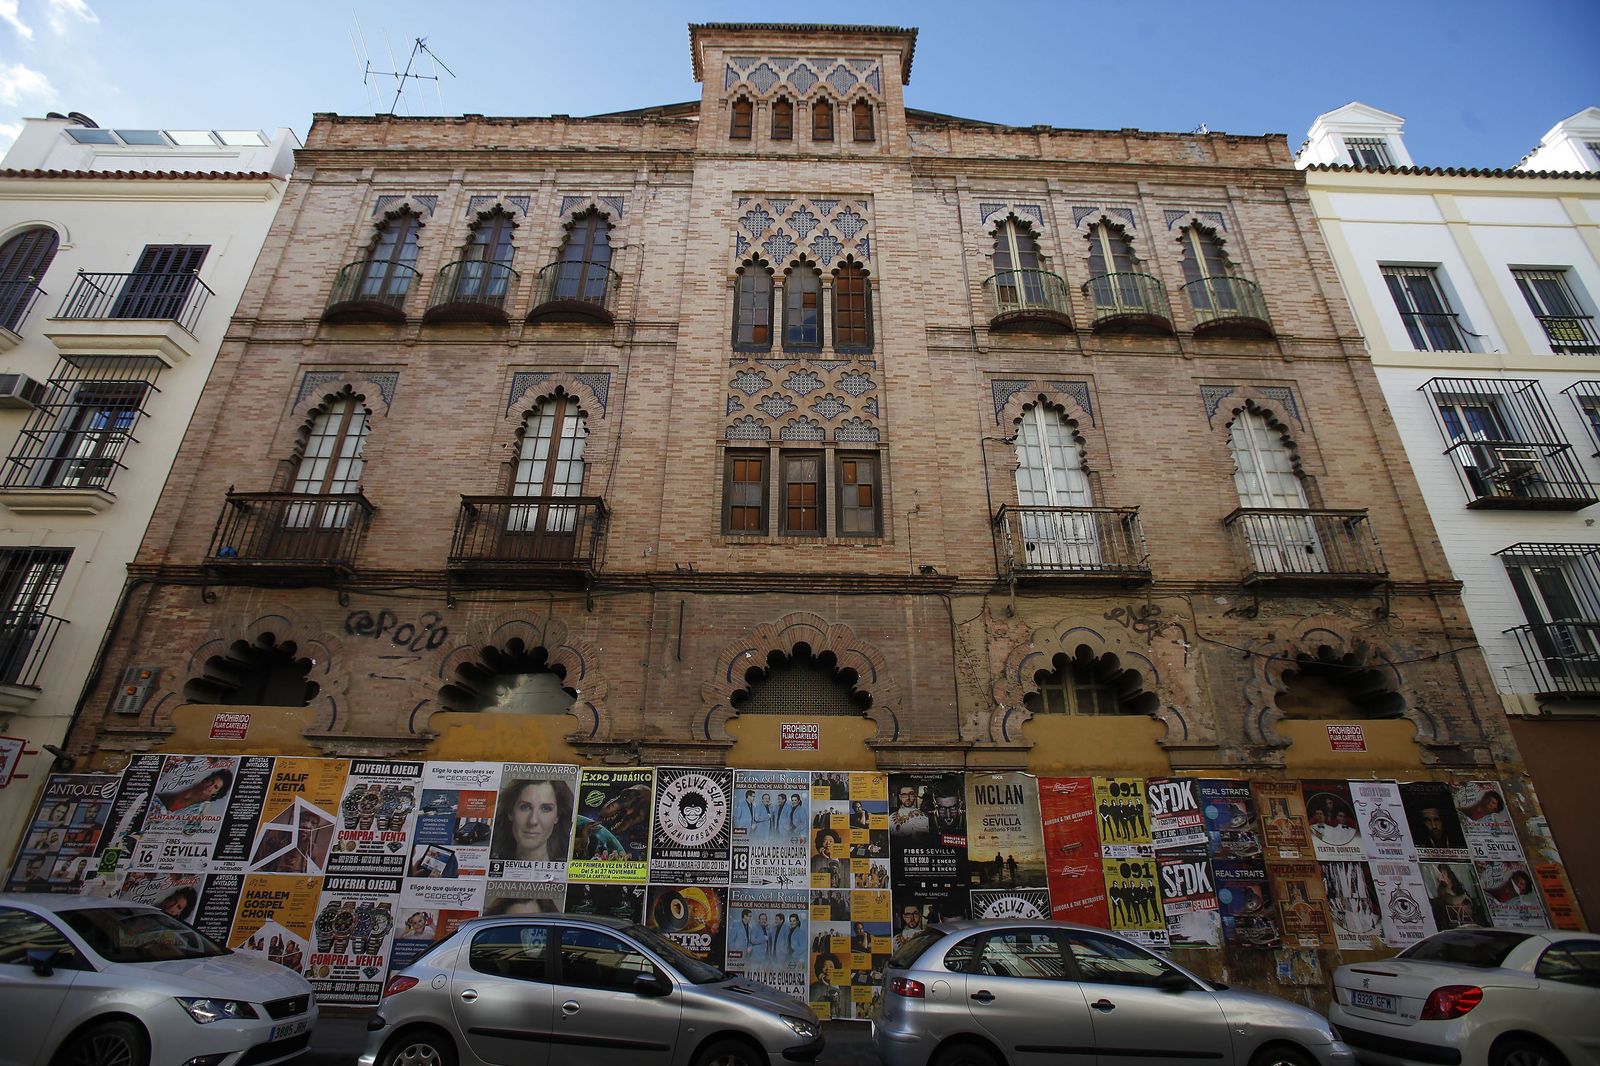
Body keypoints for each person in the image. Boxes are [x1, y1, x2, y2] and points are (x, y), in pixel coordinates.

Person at [156, 767, 233, 813]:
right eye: (212, 781)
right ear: (208, 779)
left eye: (215, 787)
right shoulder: (196, 787)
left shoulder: (203, 806)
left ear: (216, 793)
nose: (210, 786)